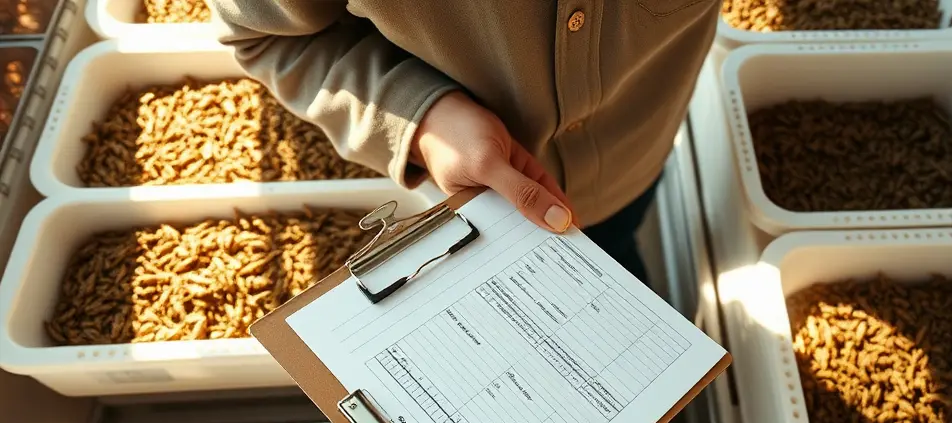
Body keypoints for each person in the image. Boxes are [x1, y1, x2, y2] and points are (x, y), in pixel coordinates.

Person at [209, 0, 720, 284]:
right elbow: (262, 35)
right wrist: (421, 116)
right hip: (471, 199)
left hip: (638, 158)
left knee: (618, 250)